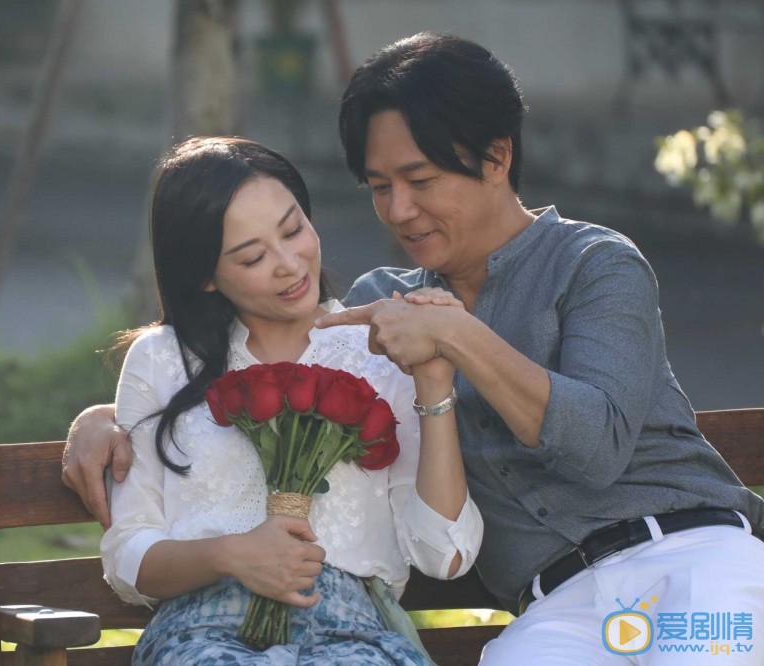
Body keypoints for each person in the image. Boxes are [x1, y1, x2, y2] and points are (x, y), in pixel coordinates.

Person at [65, 34, 764, 663]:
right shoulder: (382, 310)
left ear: (497, 156)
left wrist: (457, 335)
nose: (399, 210)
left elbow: (597, 446)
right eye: (380, 187)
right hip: (558, 609)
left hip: (690, 554)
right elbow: (281, 358)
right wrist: (106, 419)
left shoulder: (595, 264)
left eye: (421, 181)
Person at [96, 135, 482, 665]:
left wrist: (434, 382)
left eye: (294, 229)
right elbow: (126, 556)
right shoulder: (163, 360)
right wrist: (231, 555)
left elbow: (446, 555)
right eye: (253, 257)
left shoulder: (381, 352)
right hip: (203, 631)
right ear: (206, 277)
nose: (288, 264)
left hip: (353, 634)